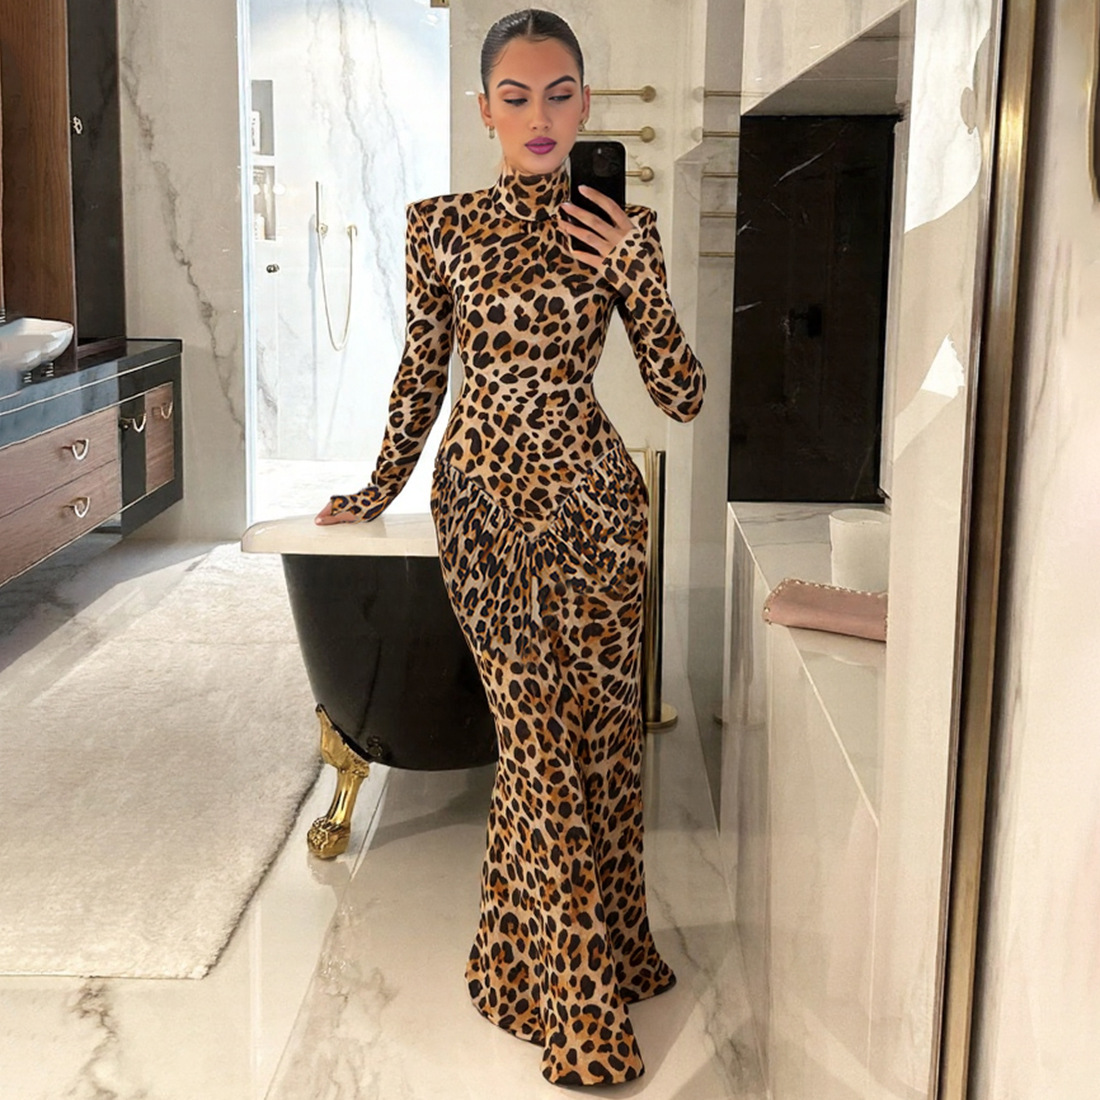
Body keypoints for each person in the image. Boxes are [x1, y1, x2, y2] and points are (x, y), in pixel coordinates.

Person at [315, 8, 704, 1087]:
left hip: (599, 507)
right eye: (517, 97)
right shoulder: (439, 226)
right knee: (534, 742)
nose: (540, 117)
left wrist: (636, 270)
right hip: (483, 506)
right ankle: (581, 1014)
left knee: (601, 744)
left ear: (586, 104)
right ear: (483, 108)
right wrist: (377, 486)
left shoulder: (625, 229)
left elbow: (681, 395)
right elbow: (420, 374)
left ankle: (527, 960)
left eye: (560, 94)